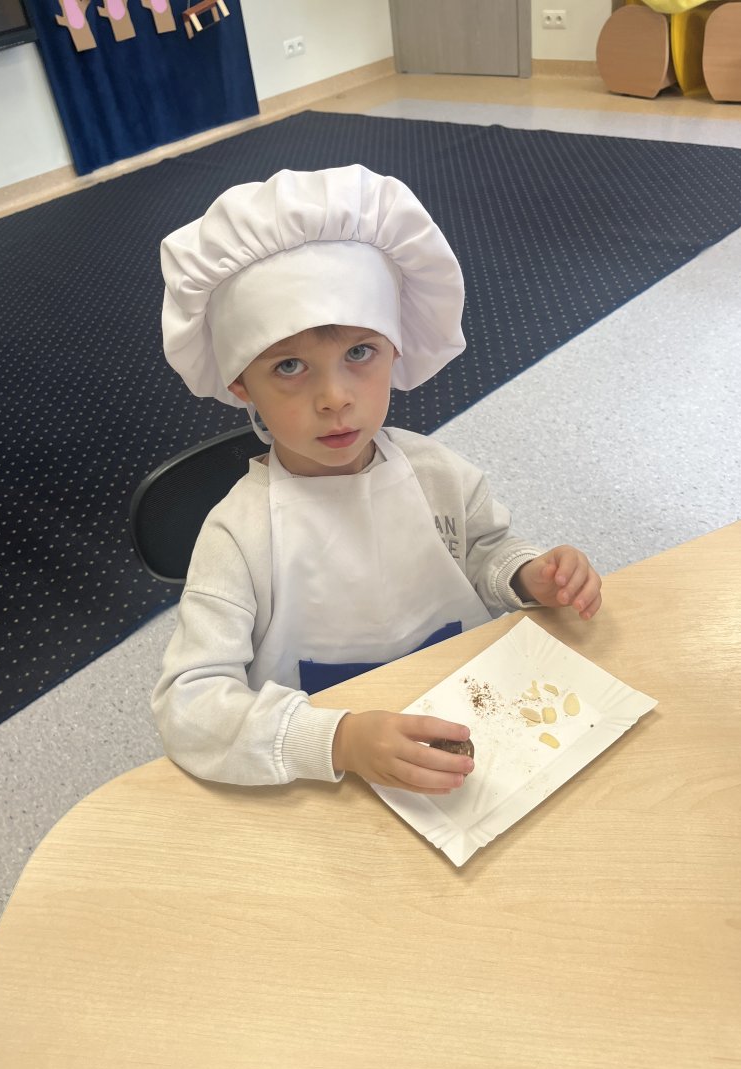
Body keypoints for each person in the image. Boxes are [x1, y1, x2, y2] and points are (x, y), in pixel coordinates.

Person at [153, 165, 602, 797]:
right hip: (326, 781)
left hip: (471, 733)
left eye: (359, 353)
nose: (335, 398)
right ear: (240, 384)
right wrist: (335, 740)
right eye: (289, 366)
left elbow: (484, 550)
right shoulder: (237, 536)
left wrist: (529, 575)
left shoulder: (438, 474)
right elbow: (189, 704)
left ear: (396, 349)